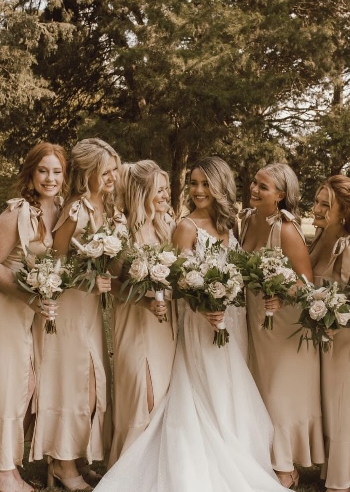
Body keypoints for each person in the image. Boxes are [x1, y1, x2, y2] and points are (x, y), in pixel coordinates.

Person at [93, 156, 289, 492]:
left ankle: (237, 447)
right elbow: (176, 281)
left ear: (219, 185)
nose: (198, 191)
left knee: (232, 384)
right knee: (206, 386)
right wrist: (204, 309)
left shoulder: (232, 224)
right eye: (194, 183)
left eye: (205, 184)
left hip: (233, 317)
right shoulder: (185, 226)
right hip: (200, 320)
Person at [0, 143, 67, 492]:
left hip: (30, 313)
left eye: (56, 171)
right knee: (8, 388)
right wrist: (30, 296)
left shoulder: (61, 211)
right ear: (31, 174)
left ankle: (6, 466)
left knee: (27, 387)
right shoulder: (17, 212)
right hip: (5, 309)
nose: (49, 178)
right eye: (43, 171)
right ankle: (1, 472)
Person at [29, 138, 123, 491]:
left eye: (114, 169)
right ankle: (62, 464)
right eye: (106, 170)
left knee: (91, 381)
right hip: (68, 308)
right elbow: (56, 261)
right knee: (70, 381)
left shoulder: (111, 210)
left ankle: (78, 456)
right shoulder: (76, 210)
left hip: (90, 309)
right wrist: (88, 276)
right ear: (89, 172)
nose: (113, 176)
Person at [238, 163, 324, 488]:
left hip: (284, 324)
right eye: (255, 182)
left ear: (281, 196)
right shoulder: (248, 220)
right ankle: (266, 457)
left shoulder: (286, 230)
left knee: (279, 393)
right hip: (256, 322)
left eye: (263, 186)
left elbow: (307, 285)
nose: (254, 189)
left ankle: (287, 469)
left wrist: (281, 294)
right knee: (261, 391)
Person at [308, 175, 350, 492]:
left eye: (327, 205)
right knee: (331, 405)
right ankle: (334, 467)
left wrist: (338, 308)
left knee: (345, 407)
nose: (318, 209)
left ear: (345, 212)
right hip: (327, 338)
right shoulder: (321, 237)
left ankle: (343, 478)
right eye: (318, 201)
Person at [108, 160, 177, 465]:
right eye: (159, 190)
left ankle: (155, 466)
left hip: (165, 323)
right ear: (142, 193)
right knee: (143, 393)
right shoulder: (120, 230)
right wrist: (143, 301)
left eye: (166, 189)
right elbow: (109, 282)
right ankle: (129, 466)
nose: (166, 195)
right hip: (134, 319)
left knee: (161, 393)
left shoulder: (167, 226)